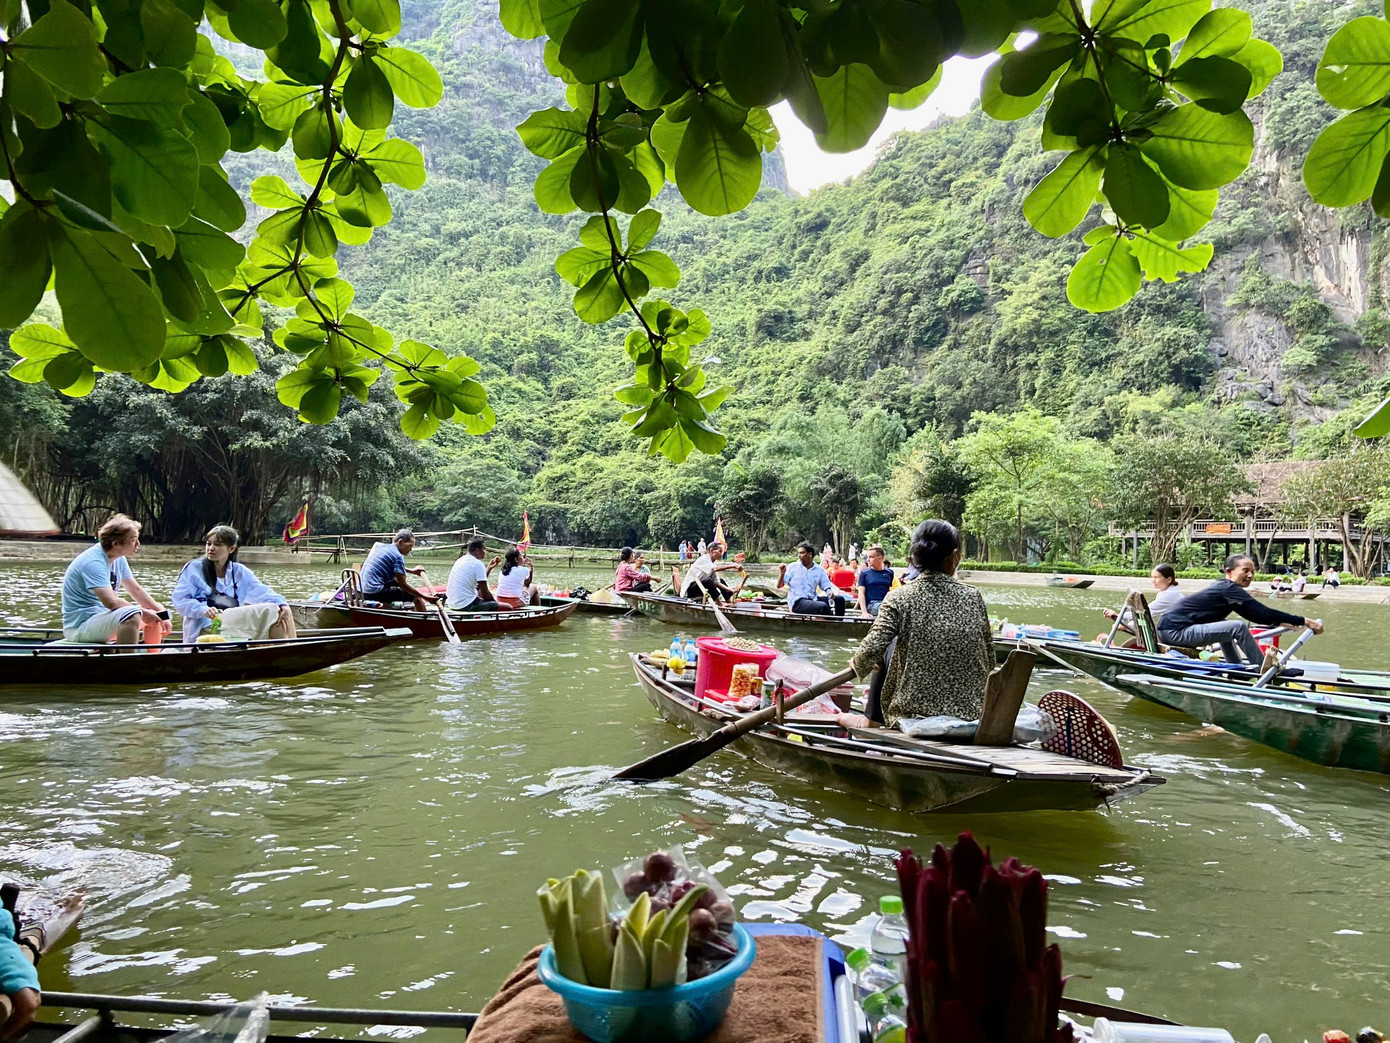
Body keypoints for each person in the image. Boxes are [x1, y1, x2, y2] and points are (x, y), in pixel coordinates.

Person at [841, 519, 993, 729]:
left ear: (915, 558)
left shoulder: (899, 597)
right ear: (955, 556)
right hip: (970, 714)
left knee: (886, 646)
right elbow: (990, 658)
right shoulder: (973, 596)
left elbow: (871, 648)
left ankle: (871, 721)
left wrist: (858, 663)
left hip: (913, 714)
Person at [1157, 553, 1323, 663]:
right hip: (1175, 632)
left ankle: (1235, 669)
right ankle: (1263, 669)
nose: (1250, 575)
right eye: (1245, 570)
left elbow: (1256, 615)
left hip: (1170, 630)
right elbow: (1263, 613)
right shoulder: (1229, 588)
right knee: (1236, 626)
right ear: (1229, 572)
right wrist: (1304, 621)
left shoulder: (1225, 588)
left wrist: (1287, 623)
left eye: (1252, 571)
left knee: (1227, 626)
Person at [60, 514, 170, 644]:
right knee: (132, 615)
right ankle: (128, 662)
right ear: (116, 543)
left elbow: (136, 590)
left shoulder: (119, 558)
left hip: (101, 620)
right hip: (81, 626)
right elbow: (111, 603)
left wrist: (162, 612)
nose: (138, 544)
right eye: (133, 540)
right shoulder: (93, 562)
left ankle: (153, 659)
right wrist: (143, 612)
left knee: (156, 613)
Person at [173, 525, 296, 641]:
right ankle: (291, 651)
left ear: (231, 549)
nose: (211, 548)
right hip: (205, 627)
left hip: (232, 623)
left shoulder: (239, 571)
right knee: (270, 610)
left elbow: (263, 592)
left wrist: (283, 604)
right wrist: (202, 609)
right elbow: (180, 600)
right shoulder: (194, 568)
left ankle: (287, 651)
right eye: (208, 544)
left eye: (217, 544)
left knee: (278, 611)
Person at [361, 529, 434, 612]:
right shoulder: (398, 556)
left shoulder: (382, 547)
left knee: (396, 581)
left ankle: (387, 609)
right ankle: (423, 620)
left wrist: (412, 571)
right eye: (410, 546)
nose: (411, 549)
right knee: (416, 596)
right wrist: (425, 597)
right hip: (373, 593)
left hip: (362, 590)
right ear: (400, 542)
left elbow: (392, 568)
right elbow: (403, 585)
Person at [779, 541, 847, 616]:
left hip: (813, 599)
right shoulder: (793, 567)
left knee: (840, 600)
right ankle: (833, 622)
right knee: (822, 606)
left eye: (802, 553)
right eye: (799, 553)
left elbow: (825, 584)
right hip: (797, 602)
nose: (799, 555)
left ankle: (839, 621)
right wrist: (782, 573)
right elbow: (779, 586)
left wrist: (829, 592)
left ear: (810, 554)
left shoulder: (819, 569)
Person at [447, 537, 502, 612]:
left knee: (479, 595)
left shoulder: (460, 560)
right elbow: (485, 593)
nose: (485, 552)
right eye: (484, 549)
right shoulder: (477, 563)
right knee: (508, 607)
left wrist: (489, 568)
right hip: (466, 604)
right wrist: (495, 603)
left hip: (453, 604)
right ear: (477, 550)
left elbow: (479, 585)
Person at [857, 544, 895, 616]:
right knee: (885, 609)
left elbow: (888, 590)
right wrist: (864, 612)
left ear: (880, 558)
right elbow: (861, 593)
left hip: (886, 603)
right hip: (871, 604)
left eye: (871, 557)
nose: (868, 559)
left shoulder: (889, 573)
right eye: (868, 557)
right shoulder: (864, 573)